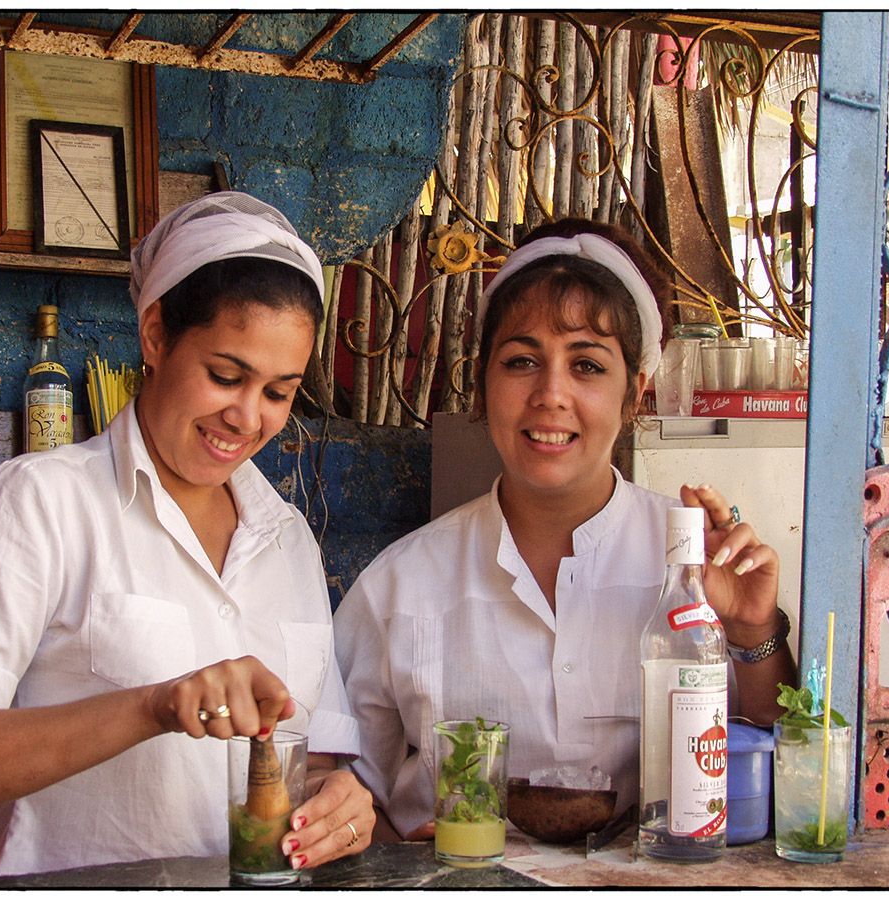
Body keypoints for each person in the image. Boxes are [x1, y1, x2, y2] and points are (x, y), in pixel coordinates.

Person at [0, 192, 375, 876]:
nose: (247, 417)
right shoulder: (41, 504)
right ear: (156, 335)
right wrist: (152, 706)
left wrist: (339, 800)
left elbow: (306, 759)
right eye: (226, 376)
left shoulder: (287, 539)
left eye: (279, 392)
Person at [332, 217, 797, 841]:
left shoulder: (695, 569)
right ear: (483, 384)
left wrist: (752, 630)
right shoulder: (399, 586)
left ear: (636, 393)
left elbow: (777, 767)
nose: (551, 395)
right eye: (522, 361)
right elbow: (341, 792)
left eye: (587, 366)